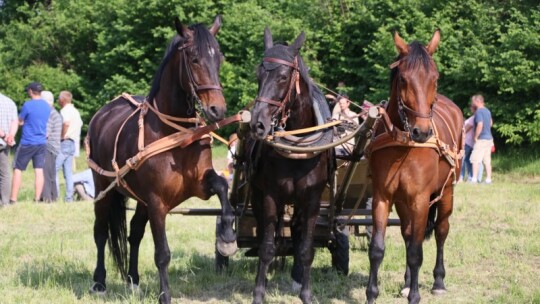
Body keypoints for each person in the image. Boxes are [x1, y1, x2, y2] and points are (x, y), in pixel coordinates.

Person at [10, 82, 51, 203]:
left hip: (28, 141)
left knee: (17, 169)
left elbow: (20, 120)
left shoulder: (28, 105)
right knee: (39, 170)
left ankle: (13, 199)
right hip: (41, 142)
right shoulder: (46, 106)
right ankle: (37, 198)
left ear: (31, 91)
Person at [56, 90, 82, 202]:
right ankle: (69, 198)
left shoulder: (64, 111)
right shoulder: (75, 111)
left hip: (65, 142)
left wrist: (62, 135)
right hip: (73, 143)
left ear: (62, 100)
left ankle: (54, 196)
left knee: (53, 170)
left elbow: (66, 123)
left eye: (58, 98)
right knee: (68, 173)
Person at [40, 91, 62, 203]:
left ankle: (47, 198)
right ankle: (54, 197)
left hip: (48, 146)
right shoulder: (55, 112)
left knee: (46, 173)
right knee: (52, 173)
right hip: (55, 146)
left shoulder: (48, 113)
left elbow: (46, 133)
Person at [470, 94, 494, 184]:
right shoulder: (487, 111)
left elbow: (480, 124)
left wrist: (476, 136)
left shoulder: (479, 112)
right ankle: (488, 180)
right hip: (489, 138)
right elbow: (491, 123)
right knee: (487, 161)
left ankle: (474, 179)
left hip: (481, 139)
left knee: (475, 160)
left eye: (473, 102)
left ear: (477, 102)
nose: (472, 104)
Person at [0, 92, 19, 206]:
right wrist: (11, 136)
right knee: (4, 173)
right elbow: (15, 121)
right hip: (5, 143)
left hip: (3, 138)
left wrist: (4, 136)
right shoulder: (9, 102)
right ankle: (5, 202)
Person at [460, 102, 483, 182]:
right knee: (468, 160)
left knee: (462, 159)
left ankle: (461, 177)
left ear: (474, 109)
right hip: (471, 142)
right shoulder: (475, 118)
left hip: (467, 142)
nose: (470, 109)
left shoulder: (473, 118)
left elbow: (465, 130)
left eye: (471, 108)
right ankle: (472, 177)